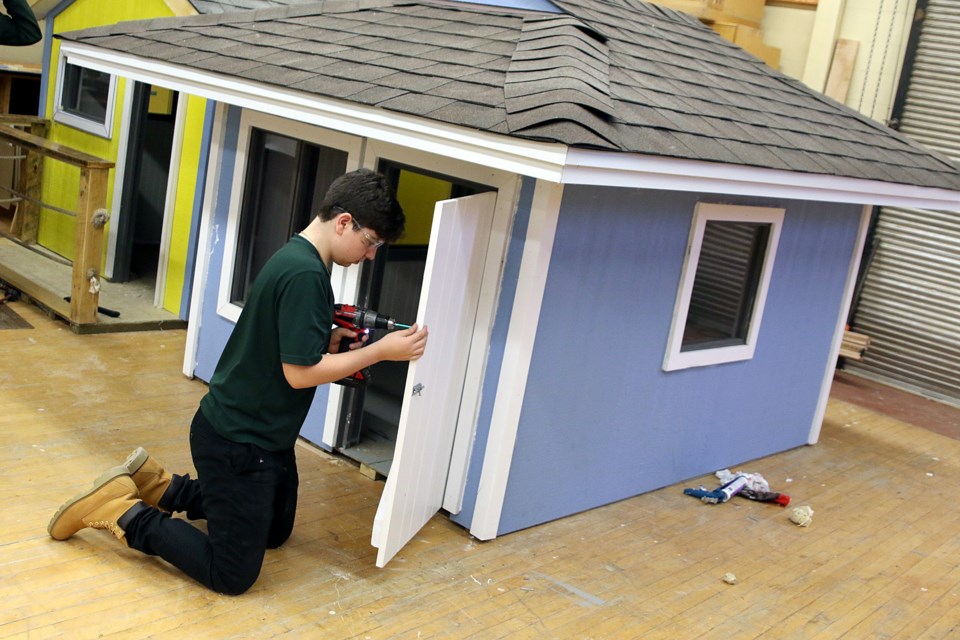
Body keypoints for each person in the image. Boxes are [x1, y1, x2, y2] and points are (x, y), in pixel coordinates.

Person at [48, 169, 429, 595]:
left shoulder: (302, 259)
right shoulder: (306, 275)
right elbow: (299, 374)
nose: (371, 254)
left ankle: (161, 485)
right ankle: (122, 512)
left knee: (274, 532)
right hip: (239, 441)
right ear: (344, 222)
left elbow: (284, 343)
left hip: (263, 436)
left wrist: (327, 340)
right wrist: (379, 350)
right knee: (231, 575)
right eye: (371, 242)